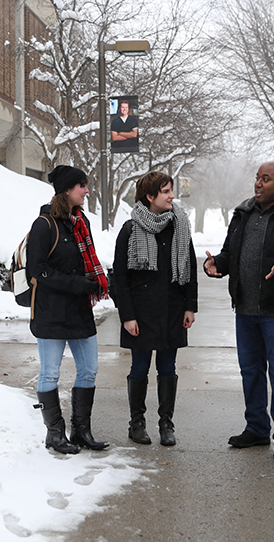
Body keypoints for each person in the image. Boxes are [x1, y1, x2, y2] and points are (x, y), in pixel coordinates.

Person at [203, 161, 274, 460]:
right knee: (251, 372)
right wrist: (218, 263)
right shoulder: (243, 214)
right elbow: (232, 253)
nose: (258, 184)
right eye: (257, 178)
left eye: (266, 179)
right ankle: (256, 428)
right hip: (245, 308)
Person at [28, 165, 110, 454]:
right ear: (67, 190)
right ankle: (55, 434)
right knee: (50, 373)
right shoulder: (44, 224)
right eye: (81, 186)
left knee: (89, 369)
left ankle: (81, 431)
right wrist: (78, 284)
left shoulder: (80, 221)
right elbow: (36, 271)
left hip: (78, 311)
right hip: (51, 313)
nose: (86, 191)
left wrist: (90, 283)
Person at [112, 171, 198, 446]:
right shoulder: (130, 229)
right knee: (139, 367)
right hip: (141, 313)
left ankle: (166, 424)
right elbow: (120, 278)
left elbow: (190, 269)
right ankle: (136, 423)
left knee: (167, 367)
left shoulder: (180, 226)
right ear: (150, 197)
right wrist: (127, 316)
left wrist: (190, 307)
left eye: (171, 190)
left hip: (172, 310)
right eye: (165, 191)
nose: (172, 196)